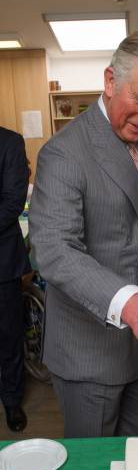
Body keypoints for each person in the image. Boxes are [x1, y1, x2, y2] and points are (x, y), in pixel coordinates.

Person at [29, 30, 138, 438]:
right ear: (111, 81)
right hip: (90, 354)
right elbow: (54, 249)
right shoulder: (65, 153)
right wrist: (130, 302)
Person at [0, 126, 30, 432]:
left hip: (2, 261)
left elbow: (12, 203)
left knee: (7, 335)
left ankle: (11, 399)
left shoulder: (9, 143)